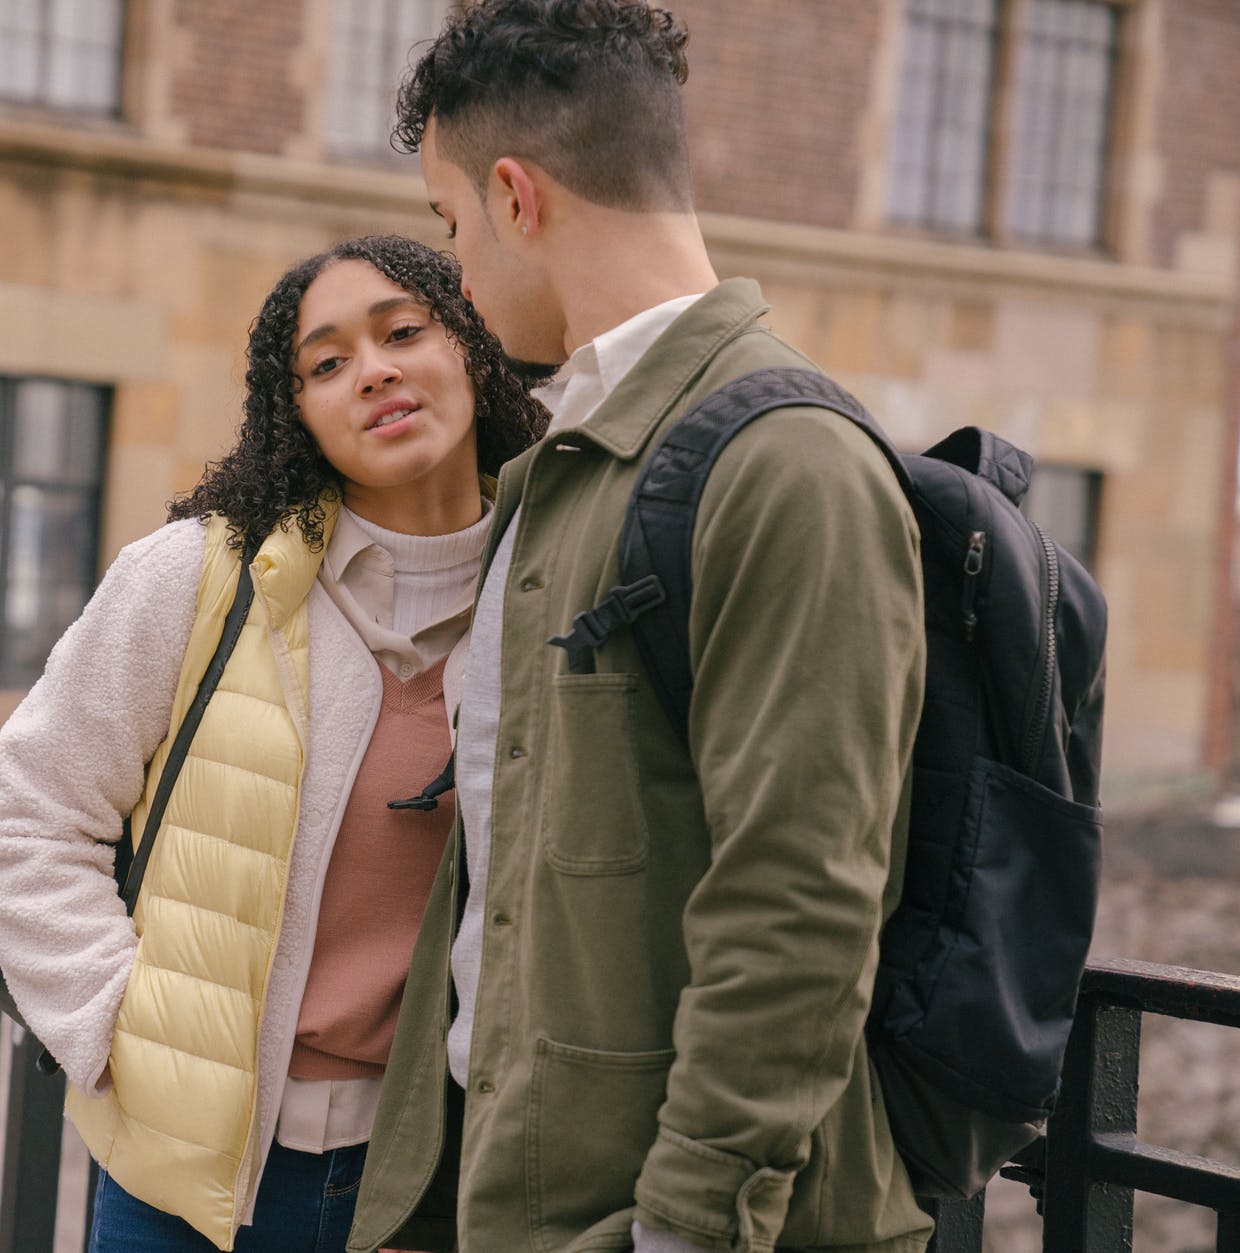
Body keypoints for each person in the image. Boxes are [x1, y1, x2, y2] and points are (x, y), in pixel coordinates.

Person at [348, 4, 934, 1252]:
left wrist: (686, 1230)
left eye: (448, 223)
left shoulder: (786, 464)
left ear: (515, 197)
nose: (450, 271)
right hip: (516, 1200)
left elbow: (797, 905)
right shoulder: (569, 460)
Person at [0, 234, 547, 1253]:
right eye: (325, 364)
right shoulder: (193, 578)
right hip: (185, 1193)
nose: (372, 370)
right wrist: (123, 1032)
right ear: (300, 415)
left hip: (430, 1189)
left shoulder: (553, 596)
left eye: (402, 331)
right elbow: (25, 819)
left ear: (471, 349)